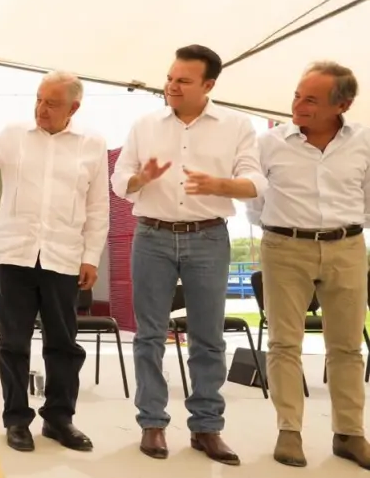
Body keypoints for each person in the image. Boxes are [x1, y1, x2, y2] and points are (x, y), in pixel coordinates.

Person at [111, 44, 267, 465]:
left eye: (183, 80)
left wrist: (221, 185)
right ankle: (153, 423)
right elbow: (119, 180)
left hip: (208, 237)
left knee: (208, 338)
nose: (171, 86)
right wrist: (141, 177)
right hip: (152, 236)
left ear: (209, 85)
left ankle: (206, 428)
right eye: (170, 77)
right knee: (148, 335)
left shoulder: (236, 126)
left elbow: (255, 180)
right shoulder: (145, 124)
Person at [0, 71, 110, 453]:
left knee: (63, 344)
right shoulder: (15, 134)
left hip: (64, 258)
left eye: (51, 103)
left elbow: (98, 206)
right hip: (14, 254)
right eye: (38, 99)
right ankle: (16, 419)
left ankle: (59, 418)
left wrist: (91, 257)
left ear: (74, 107)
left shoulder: (92, 144)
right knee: (13, 342)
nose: (41, 109)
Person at [246, 61, 370, 469]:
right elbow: (254, 202)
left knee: (348, 346)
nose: (298, 105)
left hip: (347, 247)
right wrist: (286, 229)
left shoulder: (364, 141)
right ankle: (289, 431)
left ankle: (350, 433)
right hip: (285, 247)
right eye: (297, 95)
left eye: (311, 99)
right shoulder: (269, 143)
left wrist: (340, 231)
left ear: (343, 105)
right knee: (284, 344)